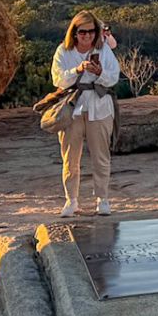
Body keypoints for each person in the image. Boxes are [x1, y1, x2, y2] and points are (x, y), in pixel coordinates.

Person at [50, 11, 119, 216]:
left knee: (101, 155)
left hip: (99, 106)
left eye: (91, 31)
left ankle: (102, 199)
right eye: (82, 32)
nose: (87, 36)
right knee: (70, 157)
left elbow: (114, 77)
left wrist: (100, 73)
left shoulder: (104, 50)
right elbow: (58, 79)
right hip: (72, 109)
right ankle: (71, 200)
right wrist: (78, 70)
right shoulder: (63, 51)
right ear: (74, 32)